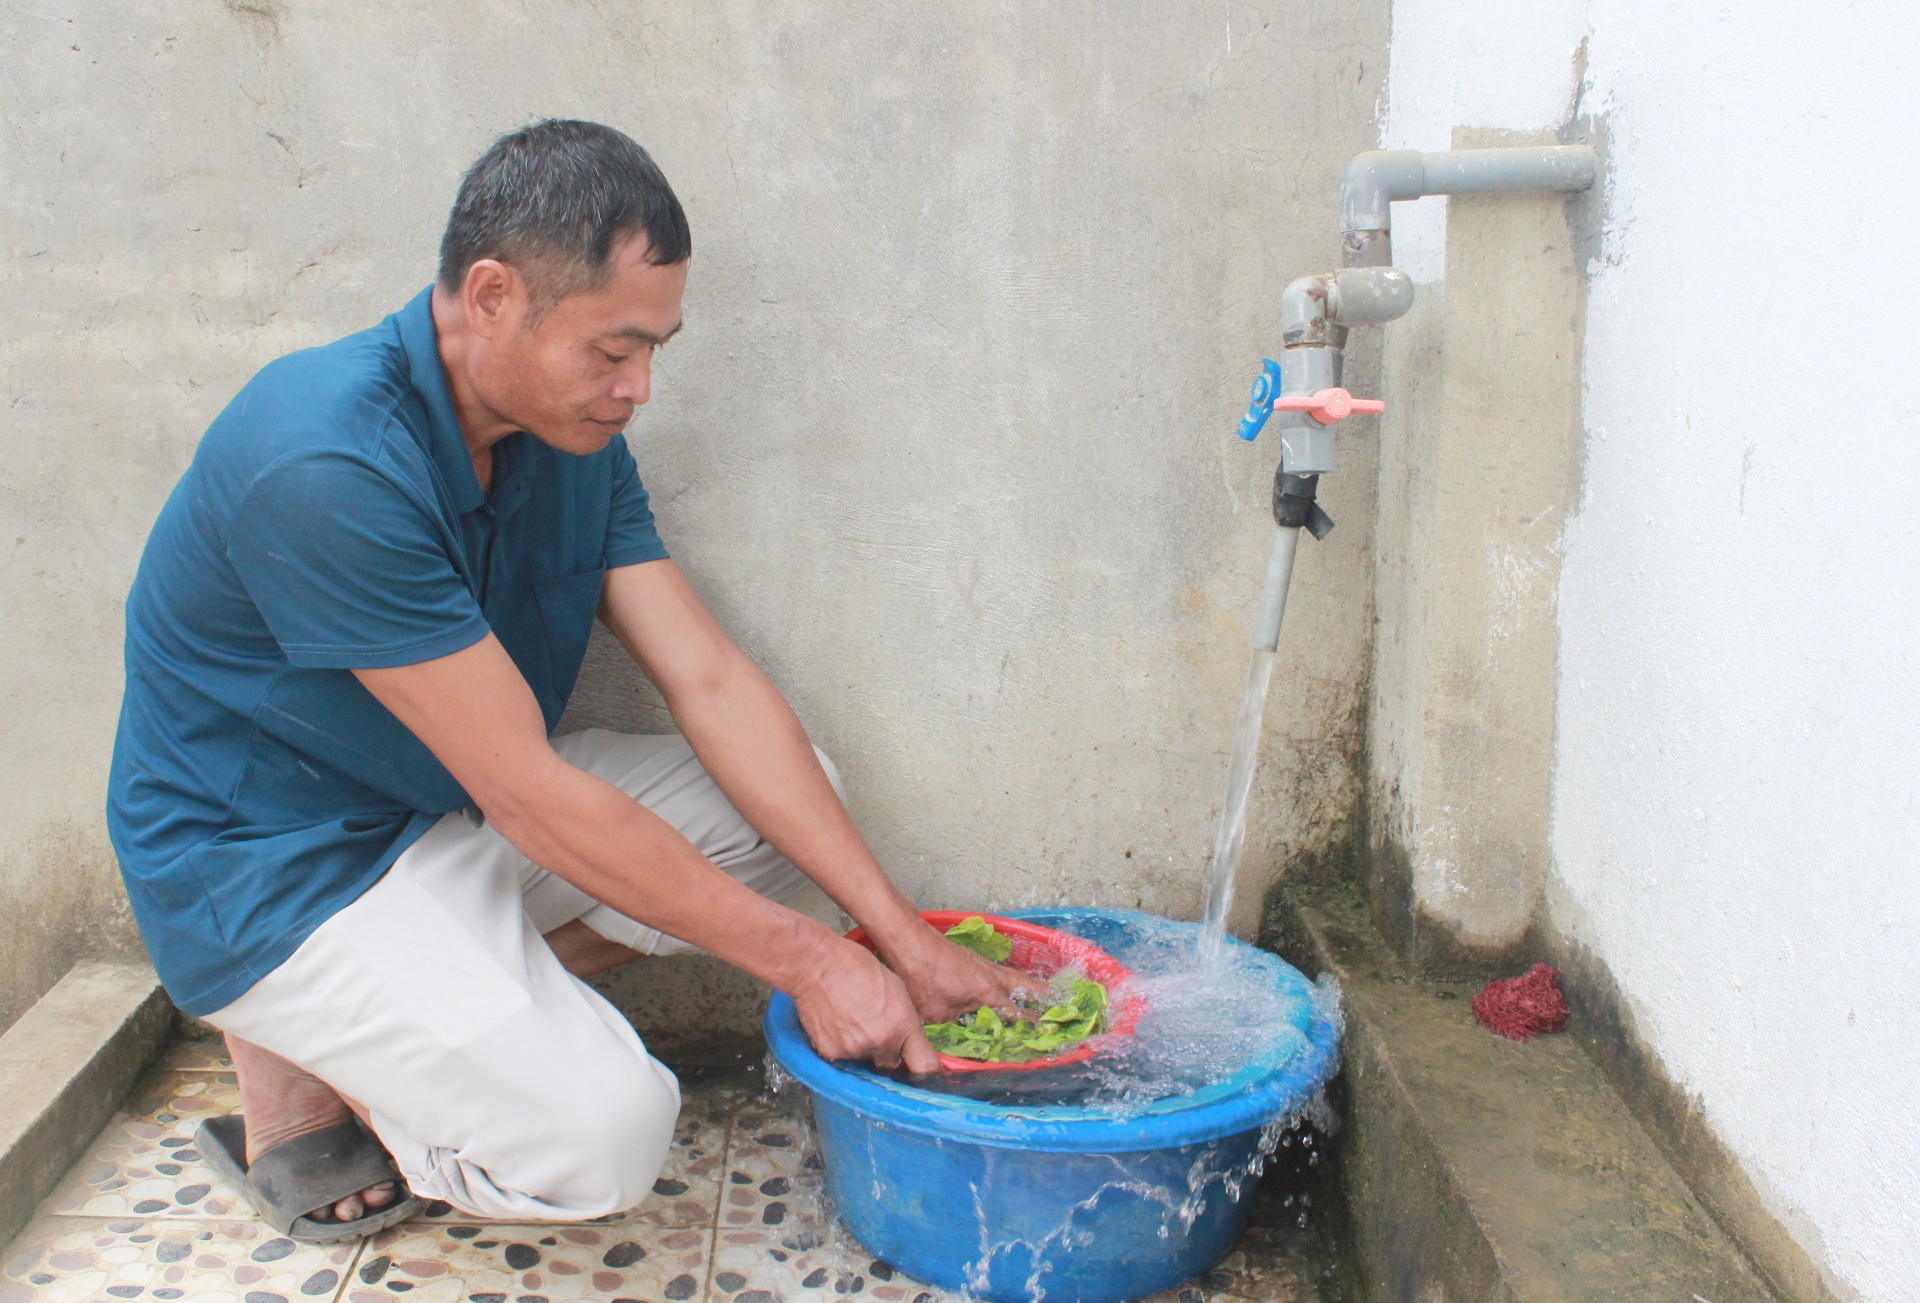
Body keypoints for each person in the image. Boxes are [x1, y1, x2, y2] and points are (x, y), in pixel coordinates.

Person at [106, 119, 1026, 1242]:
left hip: (443, 816)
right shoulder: (324, 460)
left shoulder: (573, 438)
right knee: (609, 1137)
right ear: (491, 296)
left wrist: (890, 929)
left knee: (796, 805)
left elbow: (712, 682)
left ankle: (404, 1029)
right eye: (614, 349)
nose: (639, 387)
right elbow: (528, 796)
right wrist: (812, 961)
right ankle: (312, 1052)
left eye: (656, 351)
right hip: (280, 880)